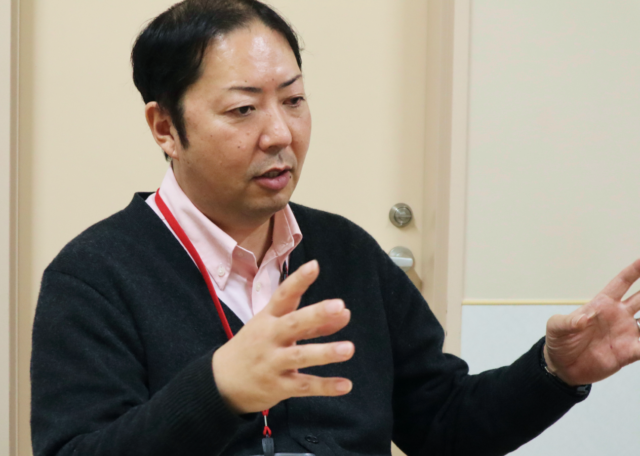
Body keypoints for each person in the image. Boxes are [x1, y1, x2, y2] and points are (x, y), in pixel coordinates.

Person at [30, 1, 640, 455]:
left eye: (293, 100)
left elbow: (444, 425)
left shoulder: (345, 251)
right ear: (165, 127)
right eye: (243, 109)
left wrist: (555, 373)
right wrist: (218, 390)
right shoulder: (94, 275)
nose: (280, 133)